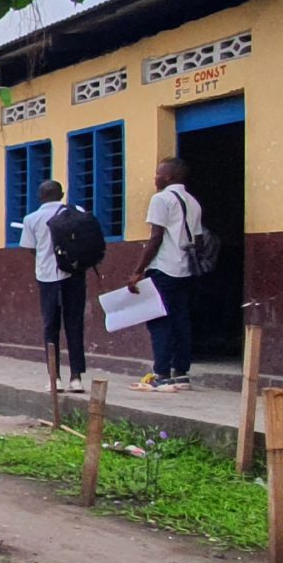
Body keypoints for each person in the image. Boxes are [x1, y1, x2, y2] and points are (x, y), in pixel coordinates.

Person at [129, 157, 204, 392]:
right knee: (181, 320)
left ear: (169, 176)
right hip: (185, 271)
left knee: (159, 320)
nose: (155, 178)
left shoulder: (161, 199)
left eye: (158, 174)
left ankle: (161, 374)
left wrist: (138, 270)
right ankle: (181, 373)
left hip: (163, 269)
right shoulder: (193, 202)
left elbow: (156, 237)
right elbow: (199, 241)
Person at [17, 179, 90, 392]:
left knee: (51, 326)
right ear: (62, 194)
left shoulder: (31, 219)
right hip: (74, 275)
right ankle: (76, 377)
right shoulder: (77, 211)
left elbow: (32, 249)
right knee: (74, 324)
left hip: (47, 276)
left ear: (40, 196)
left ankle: (54, 377)